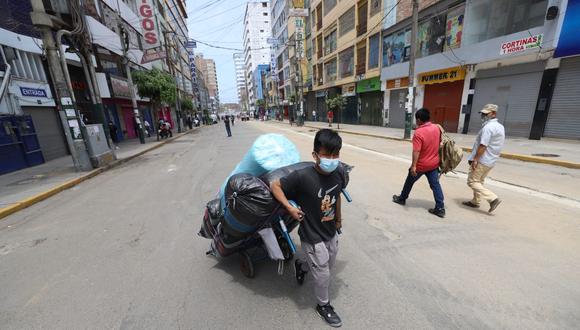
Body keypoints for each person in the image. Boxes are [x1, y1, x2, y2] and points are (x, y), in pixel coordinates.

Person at [270, 129, 346, 328]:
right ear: (315, 155)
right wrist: (289, 208)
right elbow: (275, 185)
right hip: (311, 232)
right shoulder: (302, 176)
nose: (332, 159)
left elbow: (337, 195)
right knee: (323, 272)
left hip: (330, 229)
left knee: (329, 263)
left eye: (335, 154)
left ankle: (301, 266)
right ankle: (323, 306)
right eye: (327, 155)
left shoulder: (338, 172)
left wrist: (338, 219)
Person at [392, 108, 445, 218]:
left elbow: (416, 151)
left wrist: (414, 166)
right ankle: (440, 208)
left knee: (409, 181)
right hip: (434, 164)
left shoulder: (419, 132)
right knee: (435, 185)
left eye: (416, 120)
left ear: (419, 120)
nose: (416, 122)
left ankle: (402, 198)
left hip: (421, 165)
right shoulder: (436, 128)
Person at [463, 104, 505, 213]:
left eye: (486, 113)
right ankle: (475, 201)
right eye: (483, 113)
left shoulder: (488, 127)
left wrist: (476, 159)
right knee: (479, 181)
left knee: (472, 182)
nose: (484, 115)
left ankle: (493, 198)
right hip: (491, 160)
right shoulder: (500, 126)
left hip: (483, 159)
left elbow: (483, 145)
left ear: (494, 113)